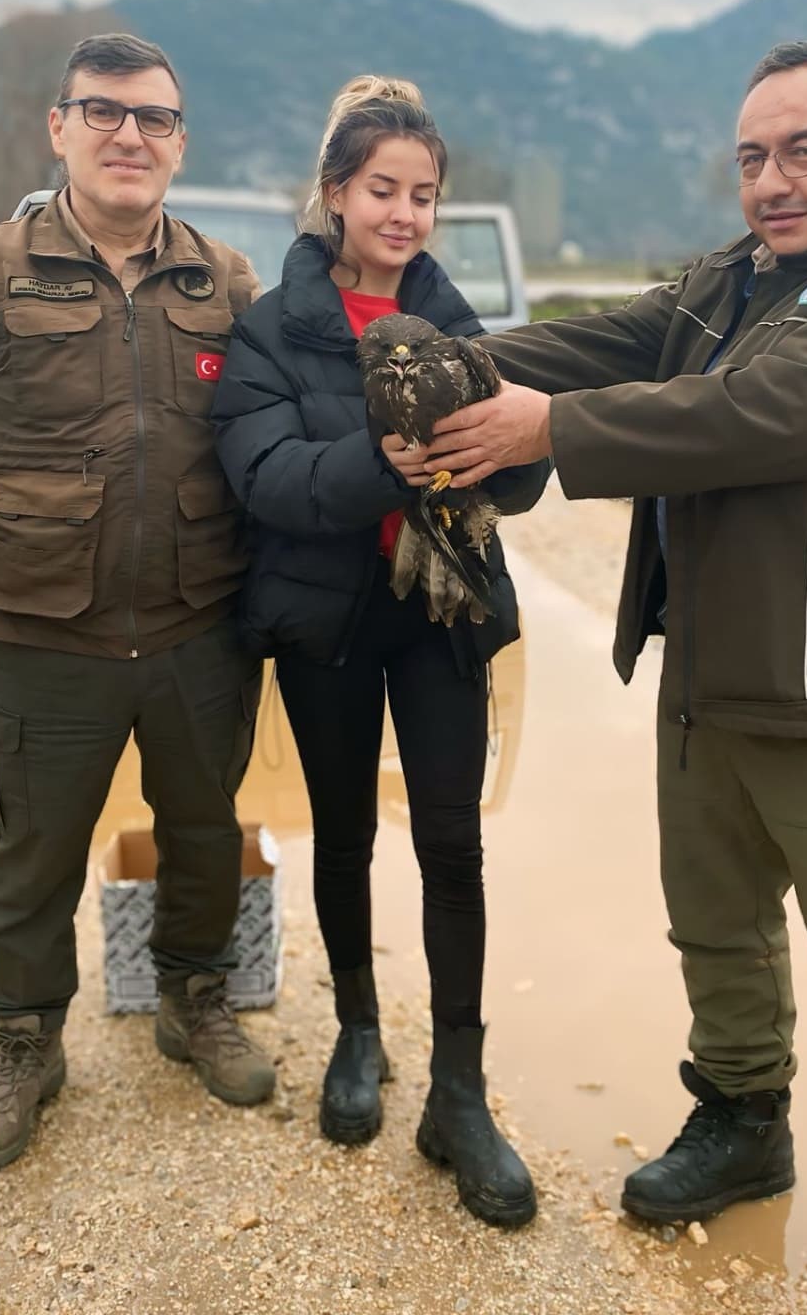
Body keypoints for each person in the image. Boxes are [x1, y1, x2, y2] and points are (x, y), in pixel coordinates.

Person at [414, 43, 807, 1314]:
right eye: (751, 157)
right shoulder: (735, 276)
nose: (771, 182)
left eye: (804, 150)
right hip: (712, 676)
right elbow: (611, 338)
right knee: (715, 929)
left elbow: (763, 414)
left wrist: (550, 432)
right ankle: (742, 1123)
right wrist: (451, 360)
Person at [0, 33, 275, 1171]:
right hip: (42, 631)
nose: (130, 135)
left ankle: (193, 1001)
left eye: (154, 118)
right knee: (31, 854)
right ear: (58, 128)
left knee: (204, 835)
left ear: (180, 141)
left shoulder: (227, 278)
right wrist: (11, 575)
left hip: (195, 622)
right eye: (104, 112)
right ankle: (25, 1046)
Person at [210, 76, 550, 1228]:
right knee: (344, 832)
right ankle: (359, 1032)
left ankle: (460, 1089)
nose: (403, 214)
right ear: (336, 194)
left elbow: (524, 474)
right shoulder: (270, 329)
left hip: (443, 616)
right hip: (327, 621)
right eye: (381, 190)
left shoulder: (463, 329)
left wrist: (509, 447)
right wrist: (390, 464)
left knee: (454, 845)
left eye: (423, 195)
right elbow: (268, 481)